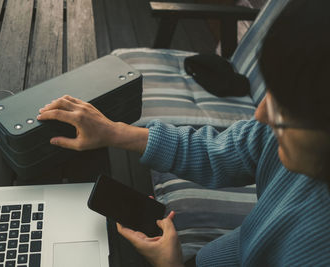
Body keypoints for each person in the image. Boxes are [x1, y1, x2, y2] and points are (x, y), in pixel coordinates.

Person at [37, 0, 330, 265]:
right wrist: (114, 132)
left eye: (286, 108)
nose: (261, 114)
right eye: (271, 91)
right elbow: (226, 152)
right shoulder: (287, 133)